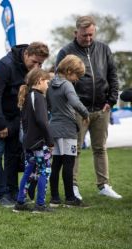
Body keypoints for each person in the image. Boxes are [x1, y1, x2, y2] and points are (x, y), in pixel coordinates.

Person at [56, 15, 122, 199]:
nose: (88, 38)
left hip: (102, 108)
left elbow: (113, 75)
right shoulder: (65, 52)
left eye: (91, 35)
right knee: (74, 149)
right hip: (77, 109)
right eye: (84, 35)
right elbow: (59, 80)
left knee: (100, 148)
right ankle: (73, 186)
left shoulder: (104, 49)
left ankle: (104, 186)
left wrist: (112, 100)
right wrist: (71, 104)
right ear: (76, 32)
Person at [0, 42, 49, 207]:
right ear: (26, 54)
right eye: (34, 62)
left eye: (40, 64)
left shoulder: (31, 71)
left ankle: (13, 191)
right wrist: (0, 125)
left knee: (13, 154)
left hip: (14, 116)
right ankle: (2, 194)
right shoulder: (5, 65)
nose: (37, 66)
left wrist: (13, 125)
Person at [48, 55, 90, 207]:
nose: (76, 80)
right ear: (69, 70)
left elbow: (48, 106)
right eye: (76, 75)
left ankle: (54, 199)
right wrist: (85, 114)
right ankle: (71, 199)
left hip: (54, 129)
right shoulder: (67, 85)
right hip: (67, 130)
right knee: (68, 164)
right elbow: (75, 102)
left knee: (56, 165)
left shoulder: (50, 83)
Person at [13, 68, 54, 213]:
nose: (48, 86)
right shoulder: (39, 98)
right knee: (45, 171)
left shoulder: (27, 97)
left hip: (28, 142)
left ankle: (20, 203)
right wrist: (50, 142)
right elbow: (43, 122)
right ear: (39, 81)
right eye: (47, 82)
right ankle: (40, 205)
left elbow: (25, 123)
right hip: (39, 143)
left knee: (29, 172)